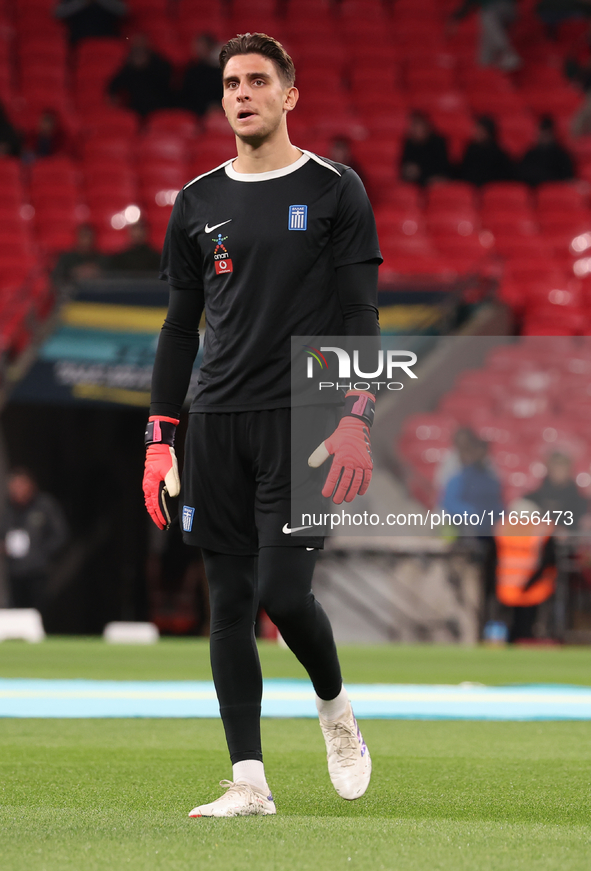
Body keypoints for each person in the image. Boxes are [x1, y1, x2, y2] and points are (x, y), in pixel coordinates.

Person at [142, 32, 381, 818]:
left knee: (284, 590)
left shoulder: (335, 188)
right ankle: (249, 780)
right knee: (229, 604)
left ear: (288, 95)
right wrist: (159, 436)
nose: (240, 93)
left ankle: (335, 711)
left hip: (301, 419)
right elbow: (180, 329)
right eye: (230, 83)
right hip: (215, 423)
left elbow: (359, 315)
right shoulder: (197, 202)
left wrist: (356, 414)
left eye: (256, 80)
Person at [0, 468, 68, 611]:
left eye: (20, 486)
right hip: (15, 571)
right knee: (16, 610)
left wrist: (41, 553)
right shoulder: (8, 509)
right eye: (13, 487)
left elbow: (60, 535)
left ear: (30, 485)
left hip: (38, 572)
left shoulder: (45, 505)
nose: (17, 491)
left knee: (39, 609)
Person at [495, 498, 556, 641]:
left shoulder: (504, 528)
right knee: (523, 627)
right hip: (527, 586)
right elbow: (549, 560)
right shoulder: (541, 530)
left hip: (515, 586)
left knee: (519, 626)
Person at [108, 33, 173, 118]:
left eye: (141, 46)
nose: (139, 49)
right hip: (136, 111)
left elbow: (171, 87)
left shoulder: (160, 65)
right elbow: (115, 85)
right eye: (136, 47)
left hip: (159, 109)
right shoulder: (128, 68)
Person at [451, 0, 522, 71]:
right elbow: (468, 4)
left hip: (502, 9)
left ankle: (505, 52)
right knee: (485, 54)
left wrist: (456, 19)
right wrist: (456, 18)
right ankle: (486, 65)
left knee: (486, 17)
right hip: (504, 11)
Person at [526, 452, 588, 528]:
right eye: (556, 467)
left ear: (569, 471)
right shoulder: (533, 499)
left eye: (562, 468)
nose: (559, 472)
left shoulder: (580, 501)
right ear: (549, 469)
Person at [456, 115, 514, 186]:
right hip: (470, 186)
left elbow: (505, 175)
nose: (476, 133)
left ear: (488, 133)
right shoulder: (471, 149)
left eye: (481, 131)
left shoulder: (498, 153)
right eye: (477, 130)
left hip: (491, 187)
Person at [518, 116, 575, 187]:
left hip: (554, 191)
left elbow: (567, 178)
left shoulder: (562, 156)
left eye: (547, 133)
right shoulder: (530, 154)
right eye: (542, 132)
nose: (543, 136)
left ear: (552, 134)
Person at [400, 110, 451, 186]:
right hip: (417, 183)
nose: (413, 128)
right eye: (412, 125)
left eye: (417, 125)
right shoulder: (409, 144)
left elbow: (443, 168)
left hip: (436, 181)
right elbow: (405, 169)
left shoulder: (438, 142)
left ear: (426, 126)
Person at [179, 33, 223, 119]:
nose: (198, 49)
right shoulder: (191, 71)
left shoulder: (220, 72)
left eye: (202, 46)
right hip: (194, 111)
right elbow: (186, 96)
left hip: (216, 112)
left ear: (211, 48)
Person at [54, 0, 128, 45]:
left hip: (107, 38)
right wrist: (83, 2)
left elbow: (123, 11)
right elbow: (58, 13)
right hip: (78, 40)